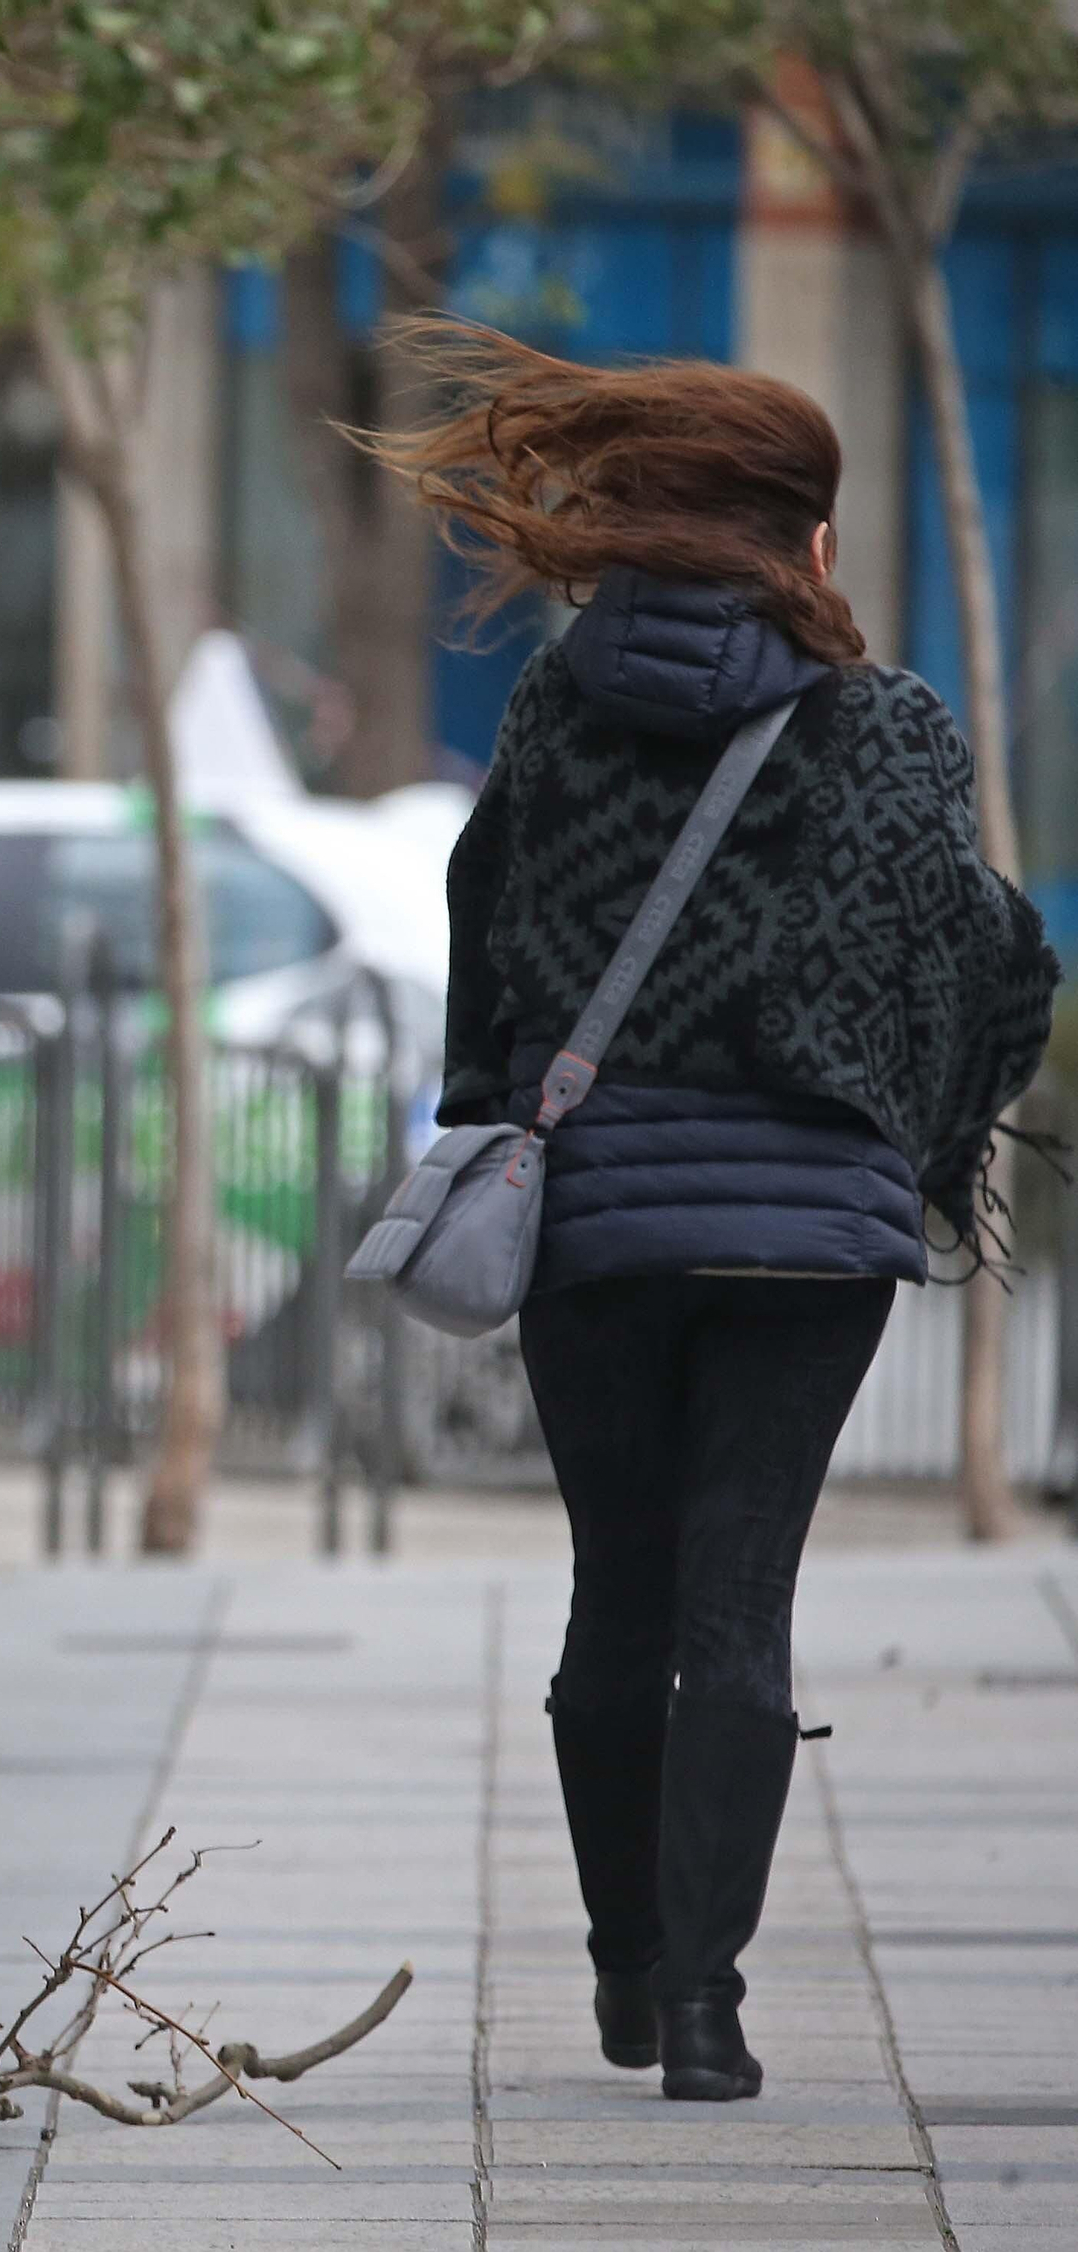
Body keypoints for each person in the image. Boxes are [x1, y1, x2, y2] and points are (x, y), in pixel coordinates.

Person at [361, 326, 1061, 2102]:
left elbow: (487, 928)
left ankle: (620, 1967)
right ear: (806, 546)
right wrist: (921, 1140)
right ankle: (706, 2014)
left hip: (593, 1220)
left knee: (622, 1599)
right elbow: (972, 965)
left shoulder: (552, 714)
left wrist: (499, 1112)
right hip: (806, 1247)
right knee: (744, 1609)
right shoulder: (890, 730)